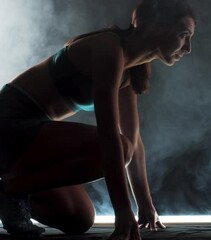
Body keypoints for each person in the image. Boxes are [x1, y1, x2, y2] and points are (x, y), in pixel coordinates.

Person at [0, 0, 195, 239]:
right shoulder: (108, 48)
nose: (188, 48)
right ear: (155, 26)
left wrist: (145, 205)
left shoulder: (133, 67)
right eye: (184, 35)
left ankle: (10, 189)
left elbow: (134, 141)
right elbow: (108, 135)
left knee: (79, 218)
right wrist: (123, 212)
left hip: (33, 136)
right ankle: (12, 190)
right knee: (118, 147)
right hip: (9, 123)